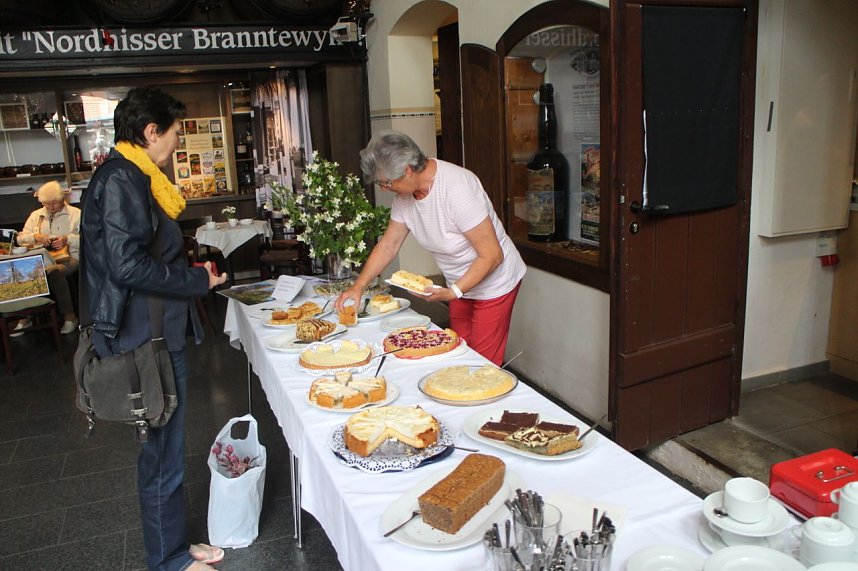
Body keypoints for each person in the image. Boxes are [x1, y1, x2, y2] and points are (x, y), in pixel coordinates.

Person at [80, 86, 227, 571]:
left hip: (156, 331)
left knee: (166, 447)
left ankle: (174, 544)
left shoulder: (134, 174)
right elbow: (126, 266)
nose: (176, 142)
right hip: (146, 339)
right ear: (150, 132)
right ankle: (166, 559)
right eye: (174, 133)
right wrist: (194, 279)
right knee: (162, 449)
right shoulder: (122, 179)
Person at [335, 131, 526, 365]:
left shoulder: (456, 189)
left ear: (407, 170)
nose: (384, 188)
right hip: (458, 281)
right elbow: (388, 245)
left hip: (494, 281)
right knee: (458, 352)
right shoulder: (405, 197)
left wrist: (454, 291)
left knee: (482, 364)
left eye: (386, 182)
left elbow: (492, 255)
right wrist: (358, 287)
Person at [15, 180, 81, 335]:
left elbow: (89, 238)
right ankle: (26, 316)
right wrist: (36, 237)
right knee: (24, 271)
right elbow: (19, 238)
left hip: (70, 257)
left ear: (62, 199)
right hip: (42, 259)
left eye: (55, 203)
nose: (51, 207)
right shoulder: (36, 216)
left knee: (54, 272)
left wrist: (66, 239)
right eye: (47, 204)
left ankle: (70, 316)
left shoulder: (75, 214)